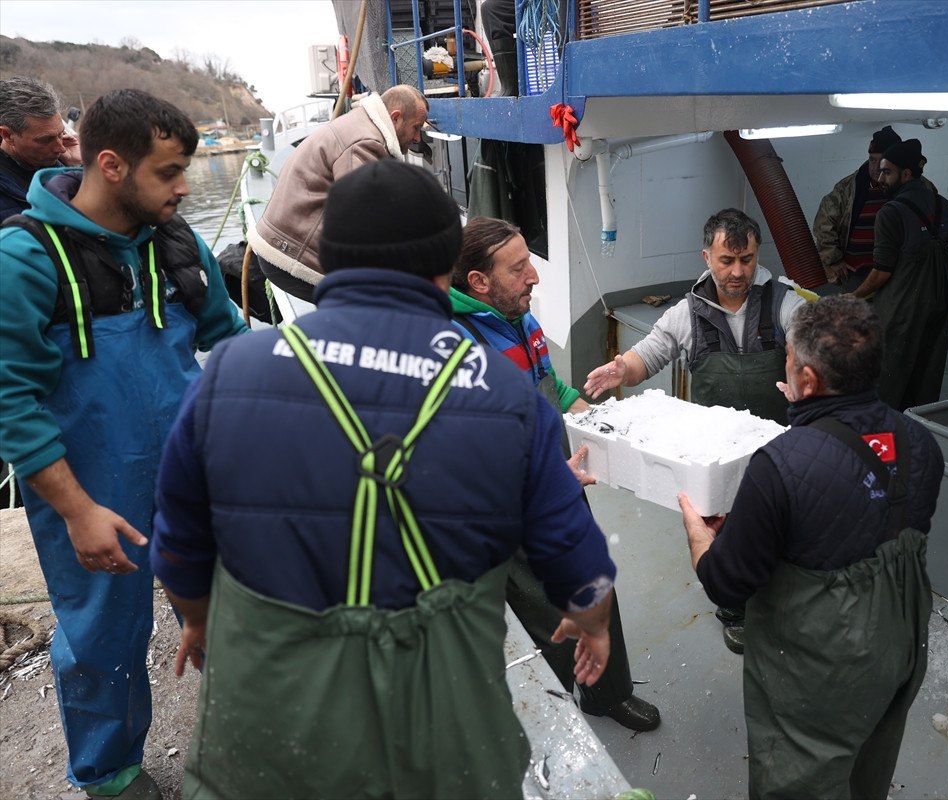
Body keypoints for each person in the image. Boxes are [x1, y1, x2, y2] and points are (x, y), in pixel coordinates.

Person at [152, 161, 617, 798]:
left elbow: (178, 540)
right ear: (442, 268)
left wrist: (198, 619)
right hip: (441, 748)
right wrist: (592, 623)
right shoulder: (506, 396)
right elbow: (579, 563)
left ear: (328, 258)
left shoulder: (231, 369)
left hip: (270, 748)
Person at [0, 89, 247, 800]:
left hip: (191, 475)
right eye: (168, 173)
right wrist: (76, 511)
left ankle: (247, 728)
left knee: (231, 609)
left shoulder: (176, 242)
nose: (183, 189)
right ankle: (111, 774)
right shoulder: (26, 261)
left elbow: (226, 342)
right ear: (110, 165)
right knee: (103, 638)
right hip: (91, 487)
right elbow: (11, 401)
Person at [679, 295, 945, 799]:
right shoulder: (921, 442)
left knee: (800, 776)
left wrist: (701, 538)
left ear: (806, 379)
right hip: (901, 641)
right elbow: (866, 513)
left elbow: (727, 584)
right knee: (871, 760)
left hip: (821, 668)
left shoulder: (777, 465)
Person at [450, 215, 661, 732]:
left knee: (592, 588)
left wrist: (601, 419)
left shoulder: (521, 319)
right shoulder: (454, 349)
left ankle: (606, 695)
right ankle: (552, 720)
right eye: (519, 267)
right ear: (478, 282)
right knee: (545, 620)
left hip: (560, 485)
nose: (534, 277)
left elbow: (552, 389)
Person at [583, 208, 810, 653]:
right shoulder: (687, 312)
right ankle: (734, 610)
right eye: (727, 260)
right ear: (707, 256)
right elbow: (648, 354)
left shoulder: (786, 302)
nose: (737, 271)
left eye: (746, 259)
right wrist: (619, 368)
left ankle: (781, 598)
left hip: (776, 445)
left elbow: (807, 339)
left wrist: (807, 375)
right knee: (723, 530)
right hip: (714, 454)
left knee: (781, 524)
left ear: (756, 255)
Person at [247, 84, 430, 301]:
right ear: (396, 118)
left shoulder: (359, 124)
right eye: (416, 127)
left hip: (283, 239)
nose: (418, 138)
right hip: (293, 254)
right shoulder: (365, 143)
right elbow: (361, 219)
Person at [852, 138, 948, 410]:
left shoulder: (890, 212)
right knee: (926, 377)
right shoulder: (945, 206)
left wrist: (854, 296)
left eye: (887, 172)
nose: (880, 178)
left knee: (887, 380)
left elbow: (882, 272)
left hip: (899, 312)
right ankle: (918, 434)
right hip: (938, 308)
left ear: (906, 174)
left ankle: (883, 440)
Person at [813, 125, 902, 293]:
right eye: (872, 160)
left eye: (882, 161)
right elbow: (824, 223)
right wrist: (834, 260)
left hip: (895, 273)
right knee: (856, 317)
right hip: (855, 274)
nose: (875, 167)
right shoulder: (848, 188)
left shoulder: (912, 188)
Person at [0, 76, 80, 219]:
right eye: (45, 140)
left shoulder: (63, 166)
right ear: (7, 135)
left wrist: (77, 167)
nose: (61, 148)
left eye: (61, 134)